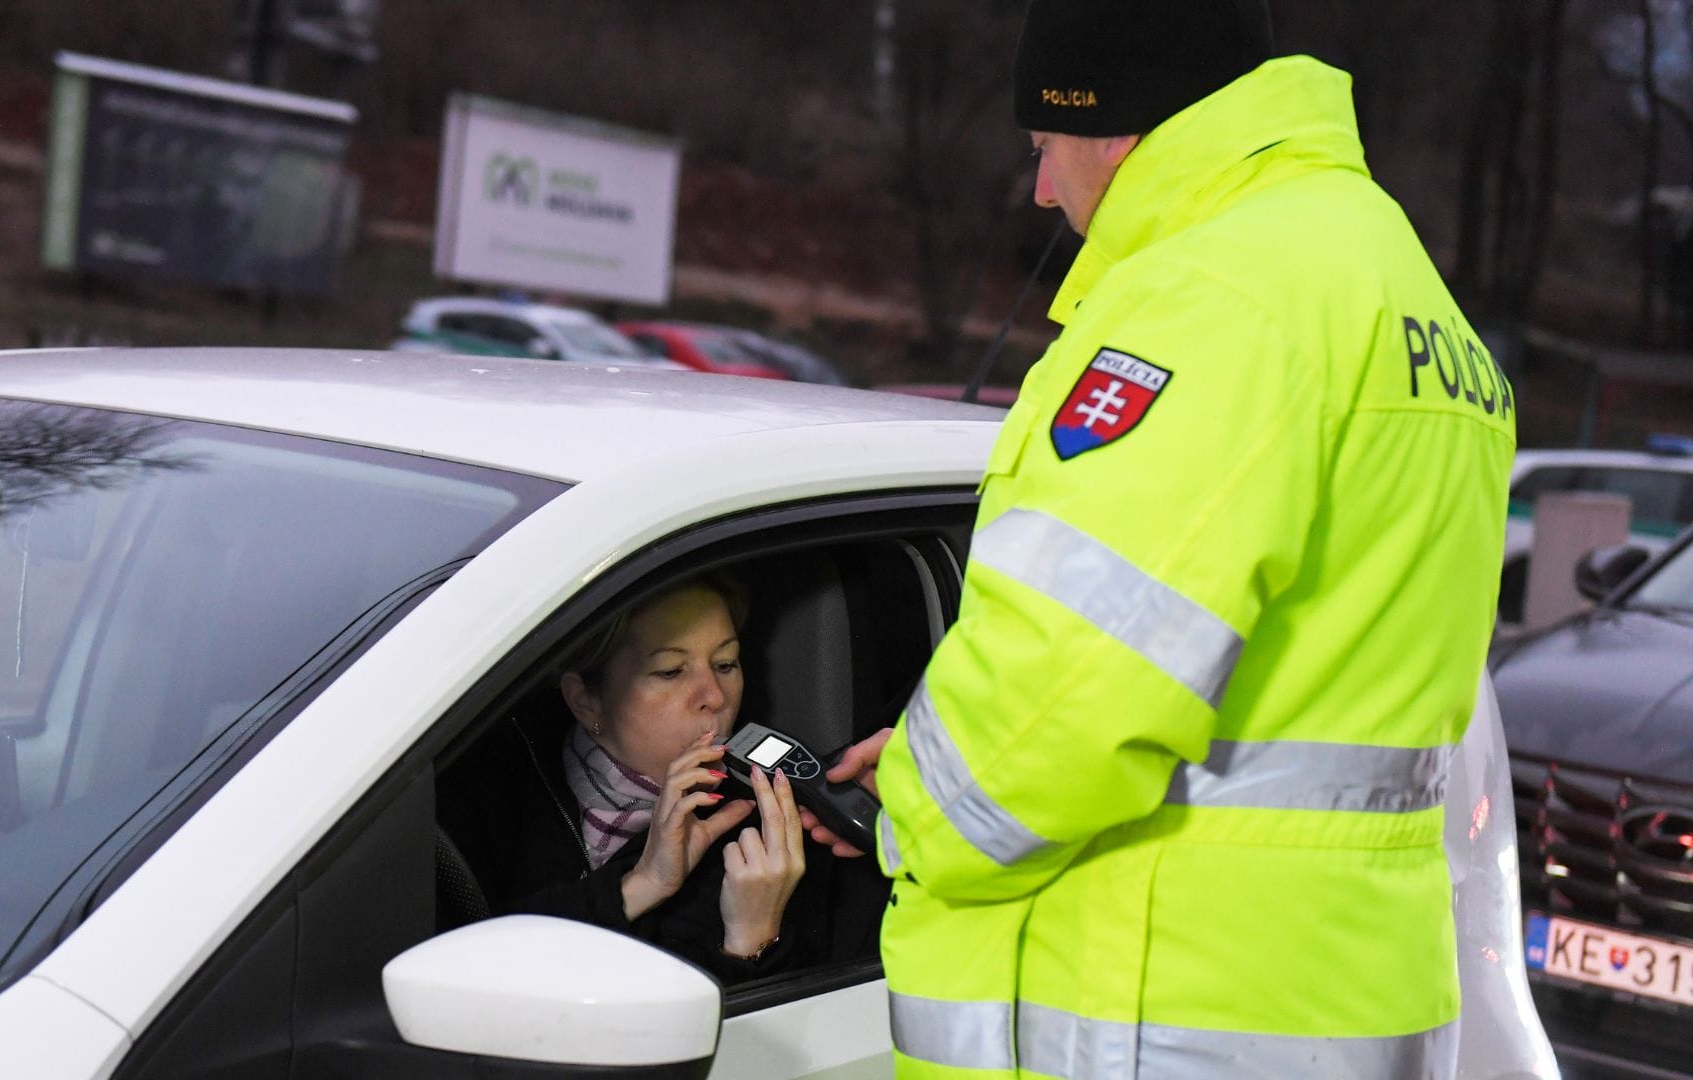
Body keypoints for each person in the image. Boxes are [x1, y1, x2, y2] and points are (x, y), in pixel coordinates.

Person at [804, 2, 1517, 1076]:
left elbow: (1077, 681)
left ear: (1118, 128)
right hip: (1341, 993)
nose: (1041, 190)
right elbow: (1294, 694)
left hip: (1169, 1006)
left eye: (1044, 148)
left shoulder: (1216, 297)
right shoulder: (1395, 282)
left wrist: (906, 816)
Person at [455, 575, 814, 982]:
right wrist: (644, 883)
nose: (714, 696)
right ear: (586, 700)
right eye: (671, 671)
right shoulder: (493, 789)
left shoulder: (764, 828)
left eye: (725, 664)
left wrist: (752, 939)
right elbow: (467, 973)